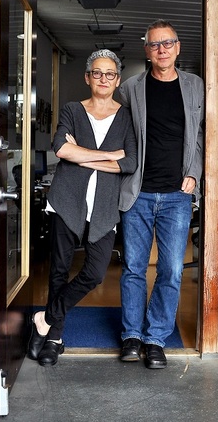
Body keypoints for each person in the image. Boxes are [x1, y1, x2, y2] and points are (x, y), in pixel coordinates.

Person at [28, 49, 137, 366]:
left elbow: (130, 162)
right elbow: (61, 149)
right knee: (59, 272)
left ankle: (45, 319)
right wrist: (109, 155)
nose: (103, 79)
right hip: (66, 200)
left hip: (104, 207)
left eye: (110, 74)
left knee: (95, 272)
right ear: (88, 77)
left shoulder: (126, 117)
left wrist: (83, 156)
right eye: (97, 73)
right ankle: (54, 339)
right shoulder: (72, 110)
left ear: (117, 80)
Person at [117, 19, 205, 369]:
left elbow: (201, 136)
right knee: (133, 268)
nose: (162, 49)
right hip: (137, 192)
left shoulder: (195, 86)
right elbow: (118, 134)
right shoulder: (130, 88)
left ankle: (155, 338)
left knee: (171, 270)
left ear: (178, 47)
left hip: (177, 195)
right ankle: (131, 336)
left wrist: (194, 174)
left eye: (168, 43)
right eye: (155, 44)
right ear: (147, 50)